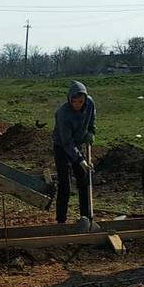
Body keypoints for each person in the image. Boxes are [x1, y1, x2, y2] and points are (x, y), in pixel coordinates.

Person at [52, 81, 96, 229]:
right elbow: (66, 142)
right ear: (69, 99)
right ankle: (61, 220)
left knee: (83, 179)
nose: (77, 104)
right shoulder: (63, 114)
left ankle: (86, 217)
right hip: (62, 146)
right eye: (74, 101)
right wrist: (80, 159)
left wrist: (91, 131)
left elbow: (92, 119)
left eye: (80, 101)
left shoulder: (89, 104)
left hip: (77, 144)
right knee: (65, 183)